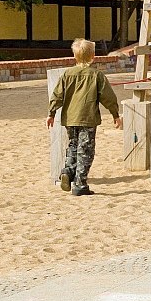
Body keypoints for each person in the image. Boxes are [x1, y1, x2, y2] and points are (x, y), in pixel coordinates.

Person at [47, 39, 123, 196]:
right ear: (93, 56)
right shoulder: (96, 75)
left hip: (70, 118)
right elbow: (108, 97)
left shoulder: (67, 74)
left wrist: (51, 113)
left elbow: (57, 95)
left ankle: (68, 171)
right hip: (87, 118)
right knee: (86, 150)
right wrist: (115, 114)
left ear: (74, 56)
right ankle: (80, 184)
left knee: (73, 145)